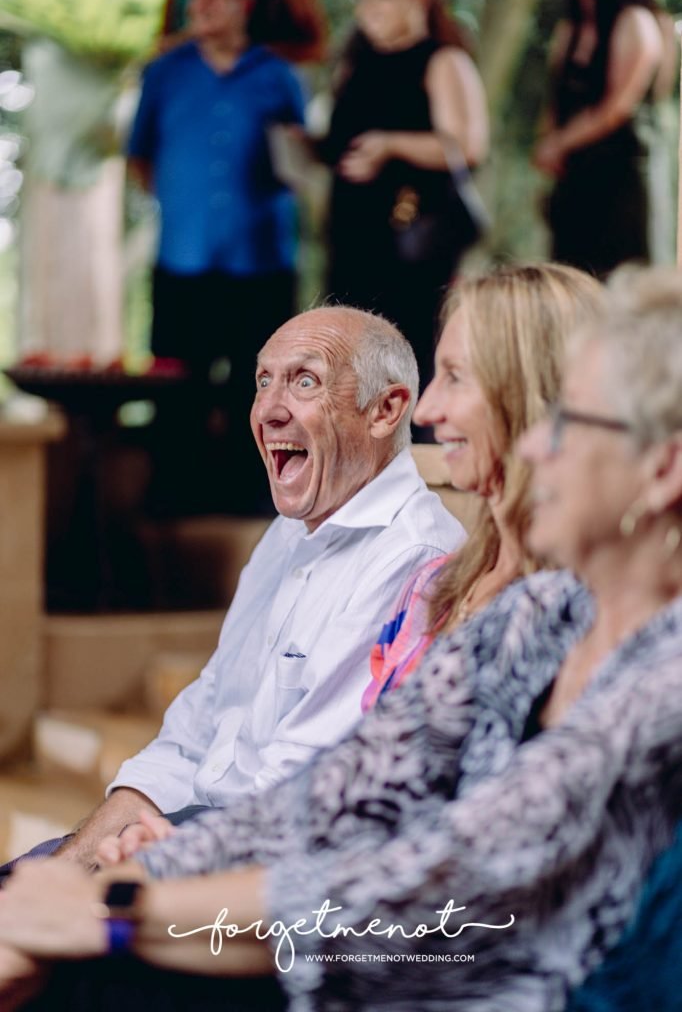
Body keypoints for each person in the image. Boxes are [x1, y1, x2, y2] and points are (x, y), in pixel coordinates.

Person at [2, 265, 681, 1012]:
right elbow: (331, 795)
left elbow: (449, 873)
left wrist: (121, 913)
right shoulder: (539, 614)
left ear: (665, 466)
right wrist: (119, 884)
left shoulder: (664, 670)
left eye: (567, 423)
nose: (531, 452)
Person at [96, 261, 604, 862]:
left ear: (539, 402)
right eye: (262, 382)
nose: (427, 410)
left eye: (455, 378)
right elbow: (351, 790)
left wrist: (173, 879)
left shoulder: (549, 604)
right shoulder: (446, 581)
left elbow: (443, 859)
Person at [1, 305, 462, 876]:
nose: (268, 410)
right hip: (192, 831)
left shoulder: (414, 558)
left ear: (385, 410)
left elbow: (291, 798)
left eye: (305, 381)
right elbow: (195, 727)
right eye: (263, 381)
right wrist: (73, 864)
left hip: (259, 876)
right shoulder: (285, 536)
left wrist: (125, 879)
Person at [363, 262, 604, 708]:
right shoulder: (432, 585)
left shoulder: (594, 616)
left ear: (534, 393)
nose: (425, 411)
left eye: (454, 377)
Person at [129, 0, 311, 513]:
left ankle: (254, 507)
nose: (200, 9)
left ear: (244, 5)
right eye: (194, 1)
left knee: (260, 391)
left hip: (262, 259)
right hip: (182, 257)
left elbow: (298, 162)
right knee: (176, 388)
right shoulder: (163, 73)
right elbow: (139, 158)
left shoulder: (278, 75)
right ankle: (172, 508)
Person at [322, 0, 488, 394]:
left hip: (412, 243)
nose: (369, 11)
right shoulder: (355, 62)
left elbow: (467, 146)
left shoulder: (443, 59)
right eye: (362, 0)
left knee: (408, 360)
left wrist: (391, 146)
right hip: (352, 234)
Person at [533, 0, 663, 279]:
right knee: (568, 277)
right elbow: (555, 99)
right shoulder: (570, 27)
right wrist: (548, 143)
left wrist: (558, 143)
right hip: (574, 178)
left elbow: (615, 110)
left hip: (619, 179)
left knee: (617, 281)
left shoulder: (635, 22)